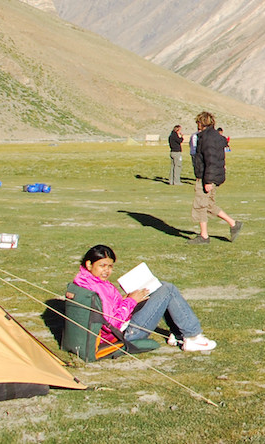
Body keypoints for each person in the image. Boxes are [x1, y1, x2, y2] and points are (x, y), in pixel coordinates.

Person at [71, 244, 215, 351]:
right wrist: (131, 300)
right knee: (167, 289)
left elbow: (107, 308)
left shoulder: (86, 281)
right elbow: (112, 322)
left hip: (121, 326)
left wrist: (127, 299)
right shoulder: (95, 286)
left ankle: (178, 333)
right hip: (123, 333)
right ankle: (192, 336)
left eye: (110, 266)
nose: (107, 271)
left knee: (159, 287)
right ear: (89, 264)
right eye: (102, 265)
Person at [191, 111, 240, 244]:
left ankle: (204, 236)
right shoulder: (216, 137)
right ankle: (233, 223)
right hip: (214, 176)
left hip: (206, 177)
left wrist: (208, 181)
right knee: (209, 205)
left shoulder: (207, 138)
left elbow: (210, 160)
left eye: (198, 123)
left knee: (200, 205)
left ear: (201, 123)